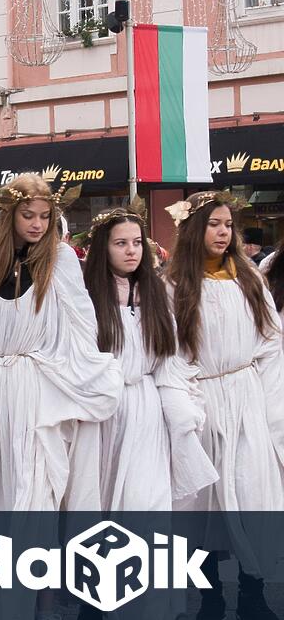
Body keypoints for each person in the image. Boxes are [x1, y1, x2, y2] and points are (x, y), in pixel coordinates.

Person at [0, 174, 121, 513]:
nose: (38, 224)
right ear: (10, 213)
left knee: (34, 481)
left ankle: (30, 562)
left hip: (35, 387)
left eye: (45, 216)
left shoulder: (59, 259)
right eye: (28, 215)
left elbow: (80, 323)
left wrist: (83, 376)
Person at [165, 192, 284, 620]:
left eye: (228, 225)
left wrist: (269, 403)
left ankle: (253, 593)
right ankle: (211, 597)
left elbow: (272, 341)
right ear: (195, 230)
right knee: (206, 504)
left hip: (248, 397)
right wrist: (190, 404)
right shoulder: (174, 284)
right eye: (214, 224)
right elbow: (171, 352)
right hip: (205, 398)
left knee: (253, 496)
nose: (223, 232)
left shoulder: (248, 278)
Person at [81, 208, 217, 511]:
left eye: (137, 242)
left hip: (147, 410)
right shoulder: (86, 298)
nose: (131, 251)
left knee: (148, 498)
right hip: (105, 411)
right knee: (104, 497)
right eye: (120, 243)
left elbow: (168, 356)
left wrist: (179, 408)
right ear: (103, 247)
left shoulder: (153, 294)